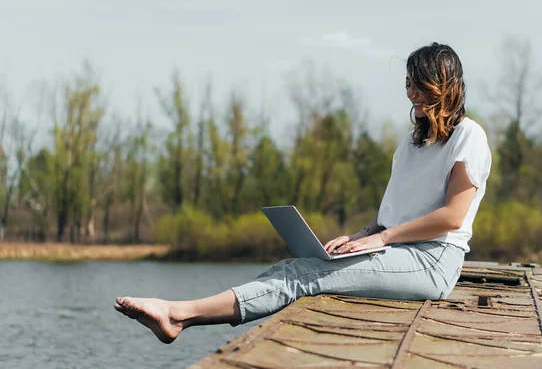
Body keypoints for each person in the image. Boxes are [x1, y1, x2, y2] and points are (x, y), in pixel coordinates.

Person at [114, 42, 492, 344]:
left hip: (433, 262)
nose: (412, 94)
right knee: (294, 266)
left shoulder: (469, 137)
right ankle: (179, 315)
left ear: (446, 83)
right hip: (395, 250)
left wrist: (382, 237)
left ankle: (178, 315)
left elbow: (451, 217)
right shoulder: (410, 146)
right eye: (408, 84)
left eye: (420, 84)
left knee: (304, 275)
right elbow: (392, 213)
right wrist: (360, 236)